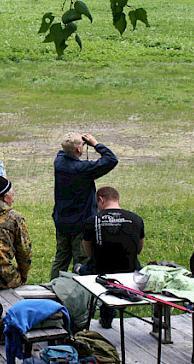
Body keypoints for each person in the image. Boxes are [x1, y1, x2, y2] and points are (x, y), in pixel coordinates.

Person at [50, 132, 118, 280]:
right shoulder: (83, 169)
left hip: (62, 220)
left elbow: (65, 151)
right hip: (81, 223)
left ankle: (52, 289)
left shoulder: (59, 162)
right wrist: (95, 144)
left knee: (60, 259)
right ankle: (81, 291)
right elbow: (111, 160)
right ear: (79, 150)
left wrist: (77, 143)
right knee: (82, 260)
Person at [82, 186, 144, 328]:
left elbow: (89, 252)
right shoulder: (137, 220)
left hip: (99, 270)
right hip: (130, 270)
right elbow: (139, 249)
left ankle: (87, 316)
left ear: (101, 200)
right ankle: (107, 316)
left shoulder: (92, 221)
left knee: (81, 269)